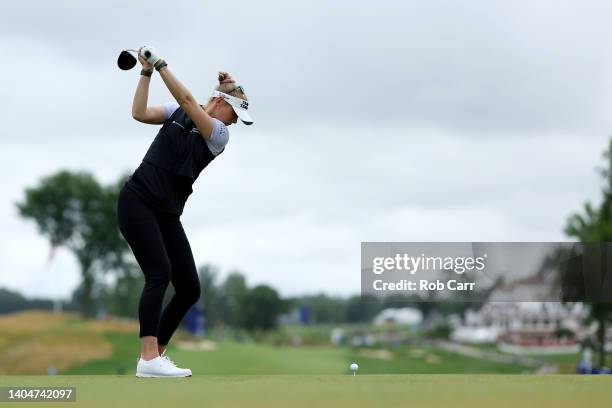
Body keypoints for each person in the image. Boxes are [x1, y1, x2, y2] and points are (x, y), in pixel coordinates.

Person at [116, 46, 254, 378]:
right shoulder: (176, 111)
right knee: (159, 274)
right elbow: (138, 113)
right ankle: (148, 359)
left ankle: (156, 357)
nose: (234, 122)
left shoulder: (219, 135)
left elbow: (191, 104)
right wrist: (147, 72)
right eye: (234, 114)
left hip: (165, 212)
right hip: (137, 201)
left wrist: (161, 65)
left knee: (189, 288)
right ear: (222, 104)